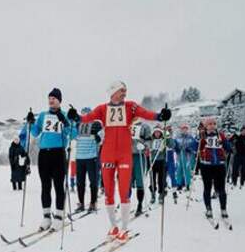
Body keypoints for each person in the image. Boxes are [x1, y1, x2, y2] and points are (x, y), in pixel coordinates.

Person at [68, 80, 170, 240]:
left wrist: (160, 116)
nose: (125, 93)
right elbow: (87, 118)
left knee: (124, 190)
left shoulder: (131, 106)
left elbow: (146, 114)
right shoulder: (102, 108)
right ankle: (113, 226)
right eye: (122, 90)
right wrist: (76, 117)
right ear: (113, 92)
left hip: (124, 153)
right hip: (107, 153)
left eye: (125, 90)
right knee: (108, 192)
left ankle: (124, 228)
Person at [27, 88, 76, 231]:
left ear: (59, 100)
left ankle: (59, 216)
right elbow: (35, 132)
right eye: (49, 98)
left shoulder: (65, 115)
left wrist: (67, 122)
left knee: (58, 186)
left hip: (58, 153)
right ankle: (46, 217)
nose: (51, 100)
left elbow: (73, 134)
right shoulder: (43, 115)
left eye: (54, 98)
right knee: (45, 186)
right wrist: (31, 121)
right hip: (44, 154)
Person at [198, 117, 231, 219]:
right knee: (207, 188)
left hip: (219, 165)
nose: (212, 126)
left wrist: (227, 145)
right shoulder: (202, 135)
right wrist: (201, 142)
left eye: (214, 124)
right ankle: (208, 209)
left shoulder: (220, 135)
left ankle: (223, 209)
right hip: (206, 165)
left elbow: (228, 147)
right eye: (210, 124)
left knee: (221, 189)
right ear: (206, 126)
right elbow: (198, 148)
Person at [74, 107, 101, 213]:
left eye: (87, 115)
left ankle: (93, 203)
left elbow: (104, 134)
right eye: (83, 114)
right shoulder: (78, 125)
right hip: (79, 157)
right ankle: (81, 203)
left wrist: (99, 137)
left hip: (92, 157)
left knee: (93, 181)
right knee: (80, 182)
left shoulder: (96, 124)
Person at [131, 122, 152, 215]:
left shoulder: (145, 126)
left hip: (139, 155)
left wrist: (145, 146)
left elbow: (149, 140)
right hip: (127, 155)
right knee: (126, 181)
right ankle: (126, 204)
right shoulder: (126, 124)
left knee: (140, 180)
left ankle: (139, 204)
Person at [174, 123, 198, 191]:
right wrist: (176, 149)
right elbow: (174, 145)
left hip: (187, 156)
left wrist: (190, 149)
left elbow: (195, 146)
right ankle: (179, 184)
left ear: (187, 129)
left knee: (187, 170)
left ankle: (187, 184)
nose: (184, 130)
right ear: (181, 130)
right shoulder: (177, 138)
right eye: (183, 129)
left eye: (185, 129)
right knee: (179, 170)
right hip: (179, 156)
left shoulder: (190, 138)